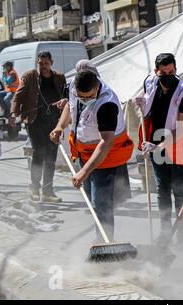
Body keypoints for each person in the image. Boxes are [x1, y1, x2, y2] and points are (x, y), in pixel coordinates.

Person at [50, 70, 134, 241]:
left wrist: (83, 172)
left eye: (88, 97)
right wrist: (60, 126)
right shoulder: (74, 86)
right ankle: (103, 237)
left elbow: (106, 142)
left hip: (107, 156)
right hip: (85, 153)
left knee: (101, 204)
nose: (85, 100)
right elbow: (70, 106)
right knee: (92, 200)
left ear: (97, 86)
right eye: (82, 96)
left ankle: (105, 243)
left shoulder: (107, 104)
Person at [136, 53, 183, 246]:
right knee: (162, 188)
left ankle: (182, 234)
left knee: (179, 190)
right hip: (155, 140)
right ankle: (164, 232)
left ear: (176, 70)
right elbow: (148, 104)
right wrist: (142, 102)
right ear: (156, 72)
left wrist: (159, 146)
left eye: (171, 72)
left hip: (180, 143)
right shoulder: (150, 82)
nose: (168, 75)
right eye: (164, 72)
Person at [11, 51, 67, 202]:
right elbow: (18, 95)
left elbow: (66, 95)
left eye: (46, 63)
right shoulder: (29, 76)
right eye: (40, 63)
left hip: (53, 122)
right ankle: (34, 187)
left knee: (51, 156)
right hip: (34, 121)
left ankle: (48, 191)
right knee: (39, 152)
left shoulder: (60, 78)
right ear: (37, 63)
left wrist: (65, 102)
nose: (43, 66)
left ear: (51, 62)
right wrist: (13, 113)